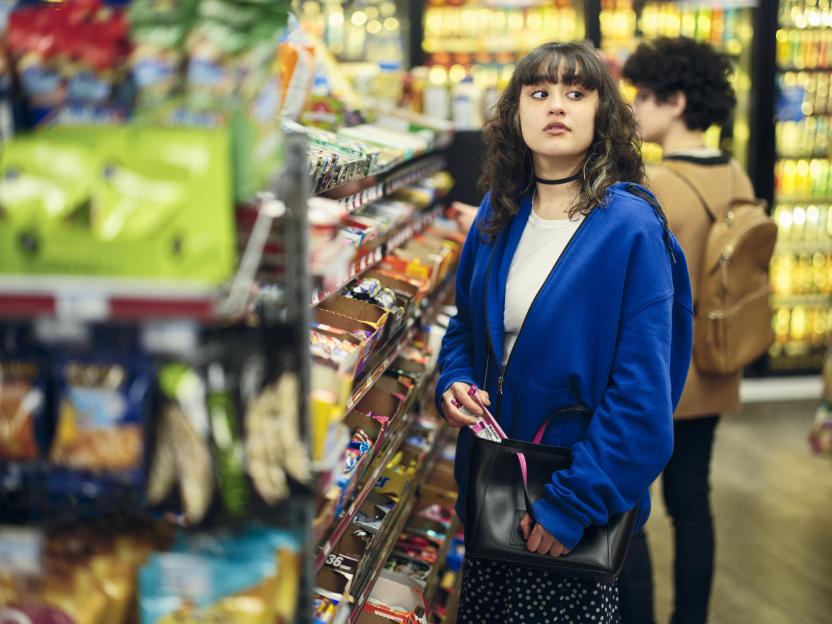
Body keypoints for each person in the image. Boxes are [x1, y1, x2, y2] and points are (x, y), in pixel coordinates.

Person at [435, 40, 693, 624]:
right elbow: (469, 329)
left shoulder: (630, 228)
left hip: (567, 511)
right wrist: (453, 382)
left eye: (576, 93)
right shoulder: (499, 212)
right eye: (540, 93)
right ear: (515, 113)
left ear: (602, 114)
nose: (557, 106)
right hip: (492, 496)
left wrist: (571, 505)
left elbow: (643, 399)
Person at [618, 37, 757, 624]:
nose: (636, 108)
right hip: (718, 363)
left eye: (645, 96)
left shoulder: (655, 182)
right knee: (693, 505)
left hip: (658, 373)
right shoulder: (736, 174)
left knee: (631, 508)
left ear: (675, 101)